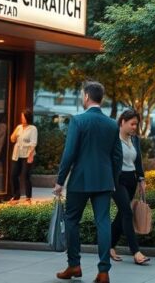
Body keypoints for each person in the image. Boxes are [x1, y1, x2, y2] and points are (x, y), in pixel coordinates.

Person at [53, 81, 123, 283]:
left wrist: (60, 180)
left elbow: (69, 154)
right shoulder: (112, 124)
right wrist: (113, 178)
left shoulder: (78, 121)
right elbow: (117, 157)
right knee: (103, 223)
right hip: (104, 181)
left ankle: (74, 265)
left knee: (72, 220)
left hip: (80, 180)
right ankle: (103, 272)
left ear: (86, 97)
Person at [109, 109, 151, 266]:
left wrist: (141, 179)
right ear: (122, 122)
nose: (135, 127)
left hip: (131, 179)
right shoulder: (113, 139)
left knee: (122, 214)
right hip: (116, 180)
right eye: (132, 124)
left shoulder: (135, 140)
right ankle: (136, 252)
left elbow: (138, 160)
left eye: (136, 124)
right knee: (127, 212)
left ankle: (109, 246)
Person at [8, 109, 38, 203]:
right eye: (21, 116)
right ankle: (16, 196)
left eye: (23, 117)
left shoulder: (33, 128)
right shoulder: (19, 127)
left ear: (27, 118)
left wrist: (30, 156)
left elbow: (33, 143)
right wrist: (15, 134)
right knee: (13, 175)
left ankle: (28, 197)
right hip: (17, 154)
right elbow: (12, 140)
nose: (22, 118)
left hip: (27, 154)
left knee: (25, 175)